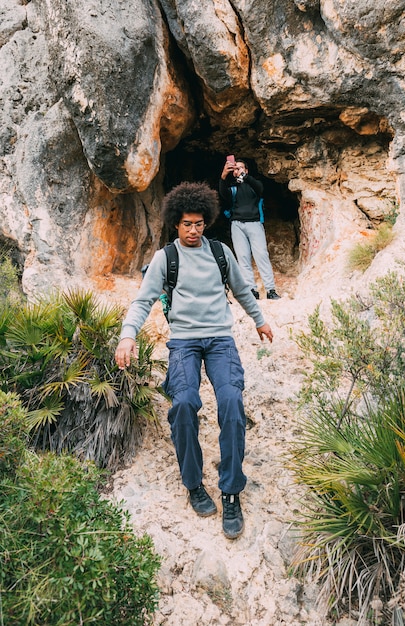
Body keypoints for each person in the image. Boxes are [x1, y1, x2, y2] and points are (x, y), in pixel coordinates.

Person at [115, 181, 273, 540]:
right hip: (184, 341)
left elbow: (241, 289)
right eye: (187, 224)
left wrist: (259, 320)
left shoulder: (220, 252)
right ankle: (193, 484)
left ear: (207, 222)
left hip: (220, 339)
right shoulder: (164, 258)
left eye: (199, 223)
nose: (194, 230)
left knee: (232, 402)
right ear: (175, 223)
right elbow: (143, 301)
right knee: (184, 403)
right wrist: (128, 335)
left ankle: (231, 490)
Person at [219, 158, 280, 300]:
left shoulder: (252, 184)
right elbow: (223, 194)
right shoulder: (232, 187)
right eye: (235, 169)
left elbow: (260, 189)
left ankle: (270, 290)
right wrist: (223, 175)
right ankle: (251, 290)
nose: (237, 170)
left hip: (254, 223)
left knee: (261, 255)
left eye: (240, 168)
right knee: (243, 257)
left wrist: (245, 177)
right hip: (237, 224)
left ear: (246, 170)